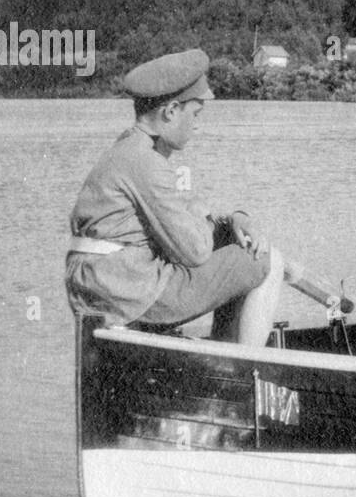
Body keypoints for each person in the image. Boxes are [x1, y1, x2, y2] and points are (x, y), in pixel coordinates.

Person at [64, 48, 283, 345]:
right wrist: (201, 212)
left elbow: (176, 228)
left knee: (236, 248)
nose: (197, 124)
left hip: (102, 285)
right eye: (195, 113)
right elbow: (195, 251)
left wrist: (234, 219)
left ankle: (227, 354)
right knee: (265, 259)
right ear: (170, 112)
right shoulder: (147, 163)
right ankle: (244, 370)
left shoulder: (128, 150)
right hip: (127, 290)